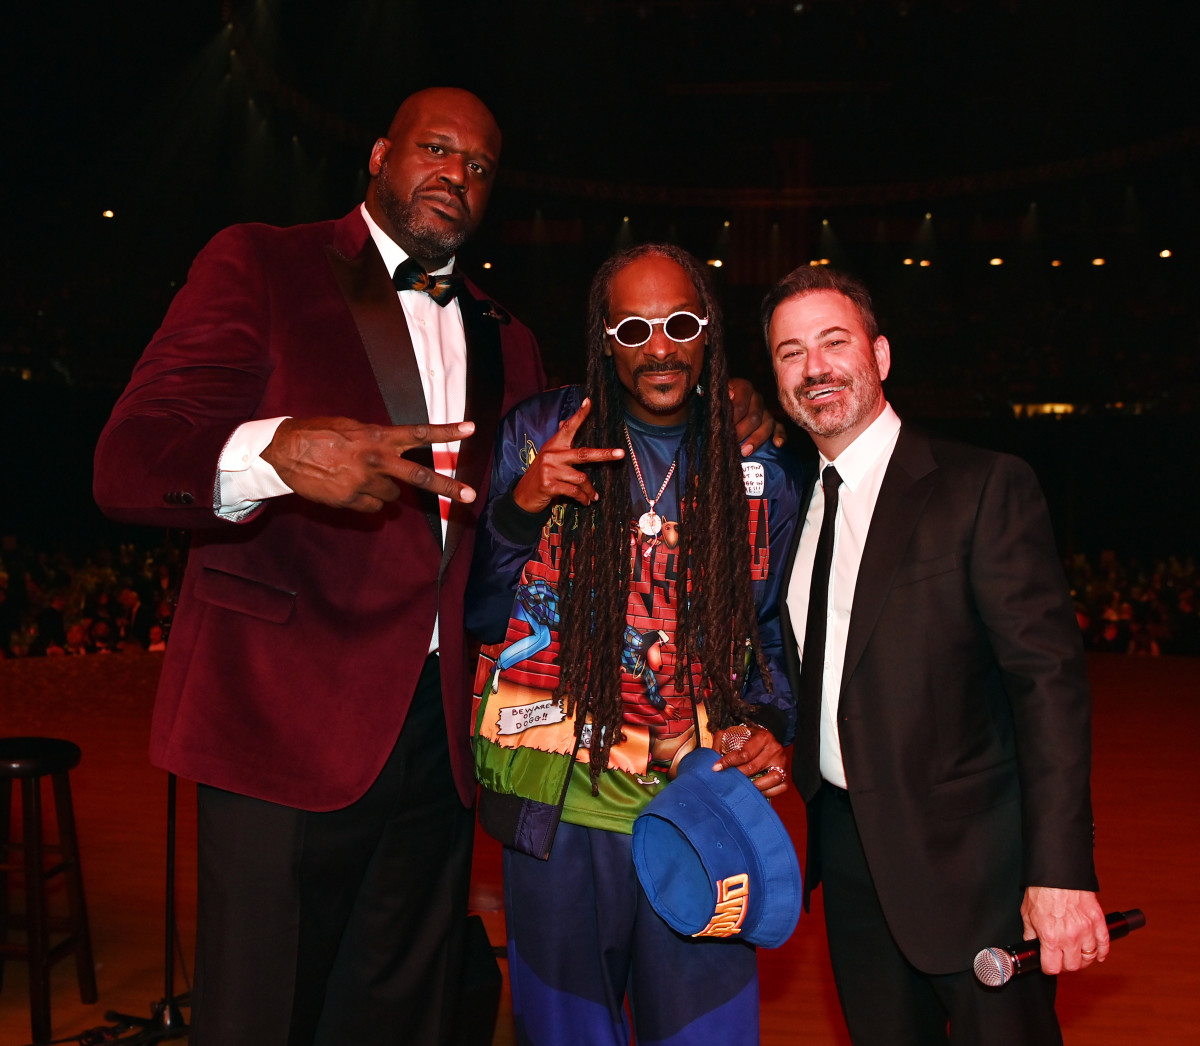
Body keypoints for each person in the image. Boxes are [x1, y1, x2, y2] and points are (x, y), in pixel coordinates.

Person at [94, 88, 779, 1046]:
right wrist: (275, 451)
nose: (457, 175)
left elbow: (558, 495)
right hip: (282, 720)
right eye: (437, 149)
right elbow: (129, 460)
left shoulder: (511, 338)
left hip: (443, 741)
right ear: (380, 155)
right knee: (262, 1017)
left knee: (397, 1013)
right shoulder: (262, 260)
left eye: (481, 165)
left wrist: (723, 396)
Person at [466, 244, 804, 1046]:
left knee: (704, 1035)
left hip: (699, 811)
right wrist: (521, 506)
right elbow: (481, 611)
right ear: (604, 336)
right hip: (558, 812)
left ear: (707, 334)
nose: (659, 347)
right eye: (634, 327)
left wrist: (770, 726)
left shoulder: (759, 472)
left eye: (680, 324)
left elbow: (768, 642)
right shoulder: (542, 431)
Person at [762, 265, 1106, 1045]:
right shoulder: (794, 506)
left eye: (833, 341)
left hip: (976, 869)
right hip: (849, 863)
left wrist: (1059, 871)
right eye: (789, 352)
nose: (814, 367)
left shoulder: (982, 487)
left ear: (880, 356)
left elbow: (1047, 686)